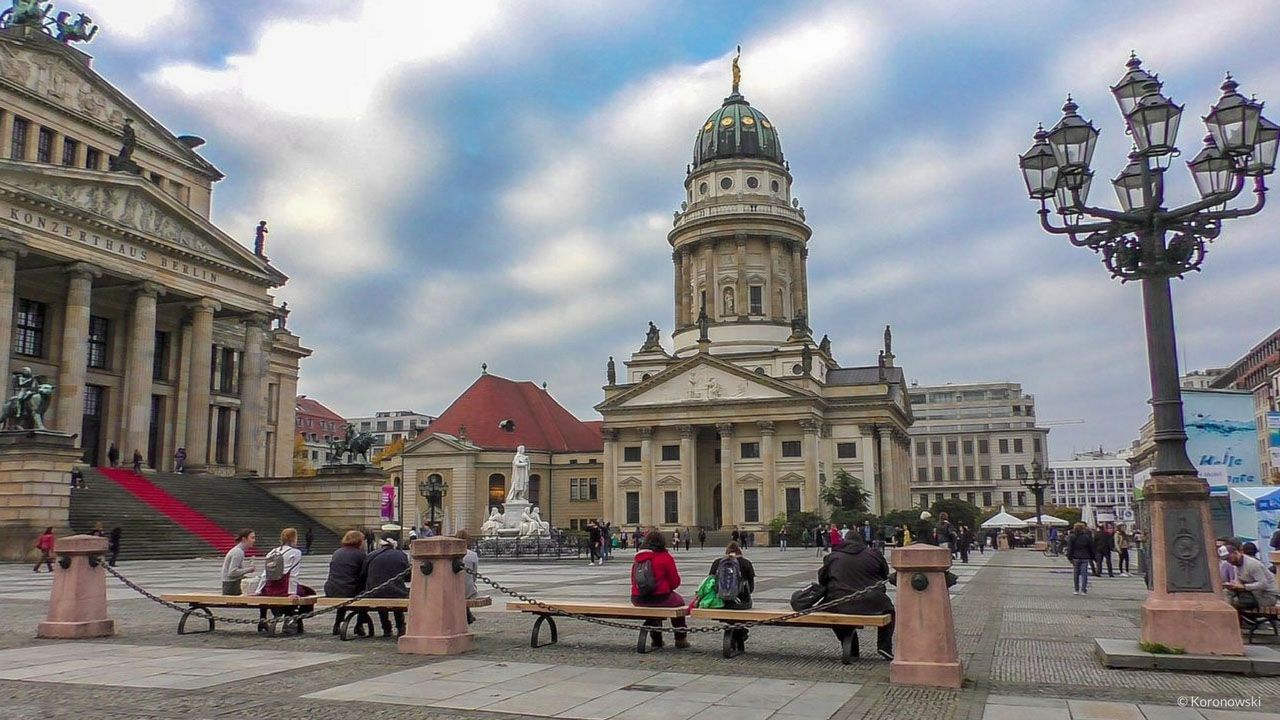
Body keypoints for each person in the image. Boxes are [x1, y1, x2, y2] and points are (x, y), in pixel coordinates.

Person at [819, 533, 895, 660]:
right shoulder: (874, 554)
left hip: (840, 601)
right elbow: (884, 574)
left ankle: (850, 645)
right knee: (890, 611)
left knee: (833, 611)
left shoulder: (833, 556)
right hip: (873, 601)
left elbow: (822, 580)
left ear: (845, 541)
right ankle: (884, 646)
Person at [630, 530, 688, 648]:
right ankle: (680, 639)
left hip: (638, 599)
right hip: (660, 597)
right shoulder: (665, 557)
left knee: (653, 607)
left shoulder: (638, 558)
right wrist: (665, 589)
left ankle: (656, 639)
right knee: (680, 603)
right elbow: (675, 581)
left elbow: (633, 580)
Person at [361, 535, 411, 636]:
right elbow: (408, 577)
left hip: (374, 593)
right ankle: (400, 626)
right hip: (396, 592)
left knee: (381, 596)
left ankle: (386, 628)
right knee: (397, 594)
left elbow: (363, 574)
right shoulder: (401, 555)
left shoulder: (371, 555)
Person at [709, 542, 755, 647]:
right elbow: (751, 589)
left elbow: (710, 585)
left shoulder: (717, 563)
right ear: (739, 551)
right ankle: (740, 632)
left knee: (730, 610)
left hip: (720, 604)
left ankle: (737, 634)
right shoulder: (746, 563)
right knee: (745, 602)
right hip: (741, 604)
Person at [323, 530, 367, 636]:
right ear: (359, 541)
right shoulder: (361, 555)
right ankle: (359, 625)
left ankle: (337, 624)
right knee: (366, 593)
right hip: (350, 590)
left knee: (343, 591)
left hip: (331, 589)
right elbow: (364, 575)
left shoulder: (337, 552)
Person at [1224, 542, 1279, 610]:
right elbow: (1238, 581)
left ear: (1236, 553)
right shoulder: (1236, 565)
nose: (1228, 561)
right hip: (1251, 594)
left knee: (1235, 602)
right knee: (1226, 593)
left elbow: (1263, 584)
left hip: (1266, 596)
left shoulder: (1252, 564)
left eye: (1229, 558)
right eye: (1226, 560)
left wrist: (1244, 587)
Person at [221, 529, 257, 595]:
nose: (254, 540)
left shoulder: (239, 551)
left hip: (232, 584)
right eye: (252, 538)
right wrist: (250, 569)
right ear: (244, 539)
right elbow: (232, 573)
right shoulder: (238, 552)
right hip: (231, 586)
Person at [457, 529, 481, 624]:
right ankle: (467, 615)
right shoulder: (473, 555)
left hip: (453, 590)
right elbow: (474, 575)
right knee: (467, 588)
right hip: (469, 591)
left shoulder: (450, 554)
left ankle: (467, 615)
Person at [1066, 522, 1094, 595]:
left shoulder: (1071, 537)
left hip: (1075, 557)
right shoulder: (1087, 537)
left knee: (1076, 574)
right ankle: (1083, 590)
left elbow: (1070, 548)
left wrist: (1069, 557)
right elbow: (1091, 548)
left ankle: (1076, 590)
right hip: (1085, 557)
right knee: (1084, 574)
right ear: (1083, 529)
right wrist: (1092, 556)